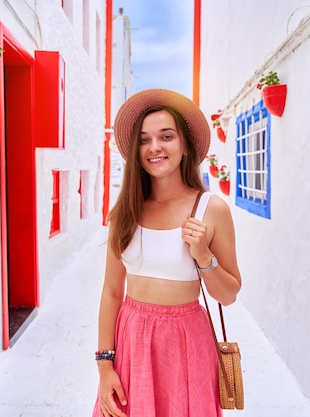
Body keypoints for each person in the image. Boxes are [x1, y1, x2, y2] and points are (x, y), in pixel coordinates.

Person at [93, 89, 242, 417]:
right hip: (131, 339)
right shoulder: (125, 212)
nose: (154, 147)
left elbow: (228, 294)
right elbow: (112, 292)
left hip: (187, 342)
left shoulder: (210, 208)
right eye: (144, 139)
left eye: (166, 136)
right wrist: (105, 367)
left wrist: (204, 256)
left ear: (185, 146)